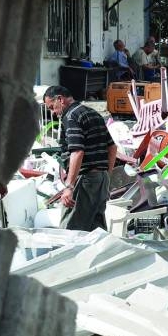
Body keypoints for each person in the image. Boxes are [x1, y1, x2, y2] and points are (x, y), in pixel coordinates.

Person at [43, 85, 117, 231]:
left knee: (69, 231)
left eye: (52, 107)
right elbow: (112, 147)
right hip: (100, 178)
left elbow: (77, 152)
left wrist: (69, 186)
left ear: (60, 99)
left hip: (85, 180)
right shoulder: (93, 113)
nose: (53, 113)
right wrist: (106, 176)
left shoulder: (71, 116)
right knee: (96, 230)